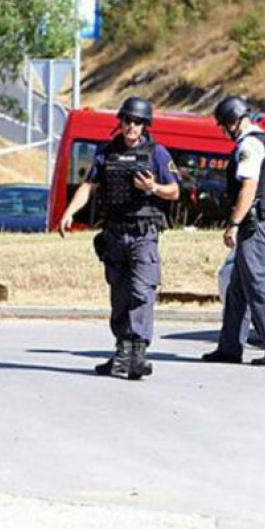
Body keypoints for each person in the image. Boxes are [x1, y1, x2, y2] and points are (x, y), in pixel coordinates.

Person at [58, 97, 180, 380]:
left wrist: (153, 187)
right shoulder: (106, 153)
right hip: (114, 234)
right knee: (120, 296)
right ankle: (122, 354)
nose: (131, 127)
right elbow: (88, 186)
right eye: (127, 121)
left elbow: (174, 191)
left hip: (143, 235)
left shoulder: (158, 153)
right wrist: (68, 212)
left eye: (137, 122)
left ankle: (138, 353)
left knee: (142, 293)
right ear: (121, 123)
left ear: (144, 125)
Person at [202, 96, 265, 366]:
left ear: (234, 121)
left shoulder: (249, 145)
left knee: (258, 283)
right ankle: (230, 347)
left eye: (224, 126)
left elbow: (249, 186)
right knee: (237, 288)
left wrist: (234, 223)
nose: (224, 132)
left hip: (254, 223)